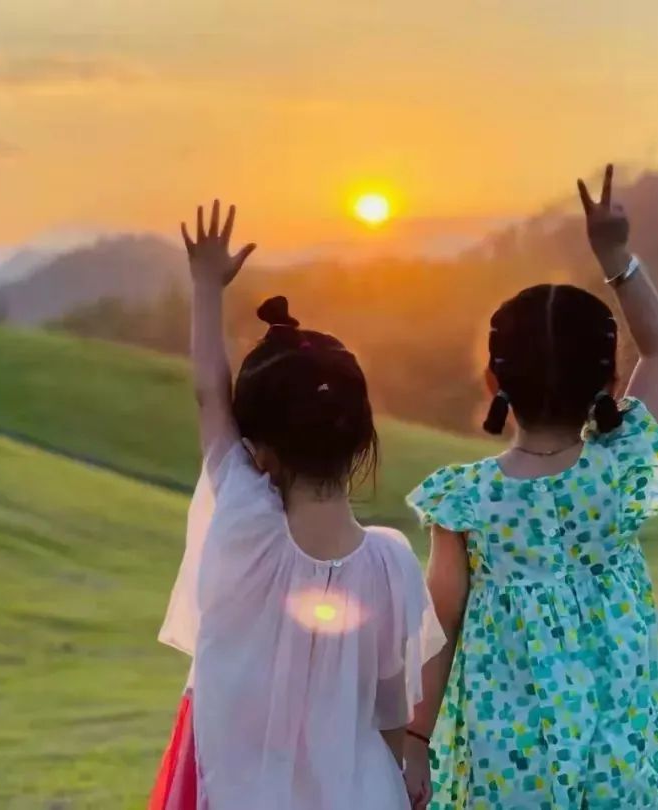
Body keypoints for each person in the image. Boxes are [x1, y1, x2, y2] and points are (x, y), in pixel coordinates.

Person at [402, 166, 658, 809]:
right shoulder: (618, 471)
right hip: (622, 750)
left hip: (508, 763)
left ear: (492, 381)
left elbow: (436, 628)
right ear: (612, 383)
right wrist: (615, 258)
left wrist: (416, 738)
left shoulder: (466, 501)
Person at [152, 201, 445, 810]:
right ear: (362, 436)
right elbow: (392, 711)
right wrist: (402, 781)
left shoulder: (244, 525)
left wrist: (207, 288)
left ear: (259, 452)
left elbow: (209, 393)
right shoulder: (393, 567)